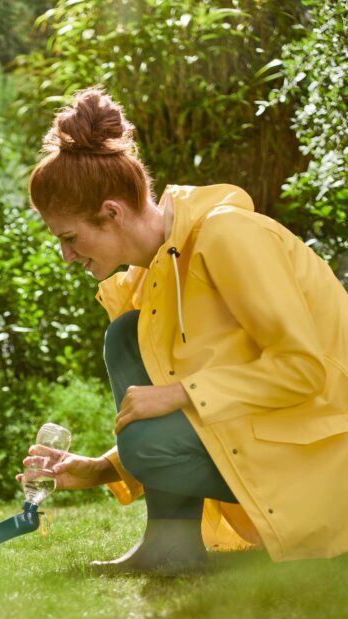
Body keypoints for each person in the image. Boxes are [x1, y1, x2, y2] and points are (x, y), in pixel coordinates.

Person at [21, 87, 348, 574]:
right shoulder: (152, 279)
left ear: (111, 212)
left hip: (330, 455)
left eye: (70, 238)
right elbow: (189, 425)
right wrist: (96, 470)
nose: (66, 255)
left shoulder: (228, 236)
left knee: (145, 427)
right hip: (277, 437)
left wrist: (181, 392)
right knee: (126, 335)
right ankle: (168, 547)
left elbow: (303, 370)